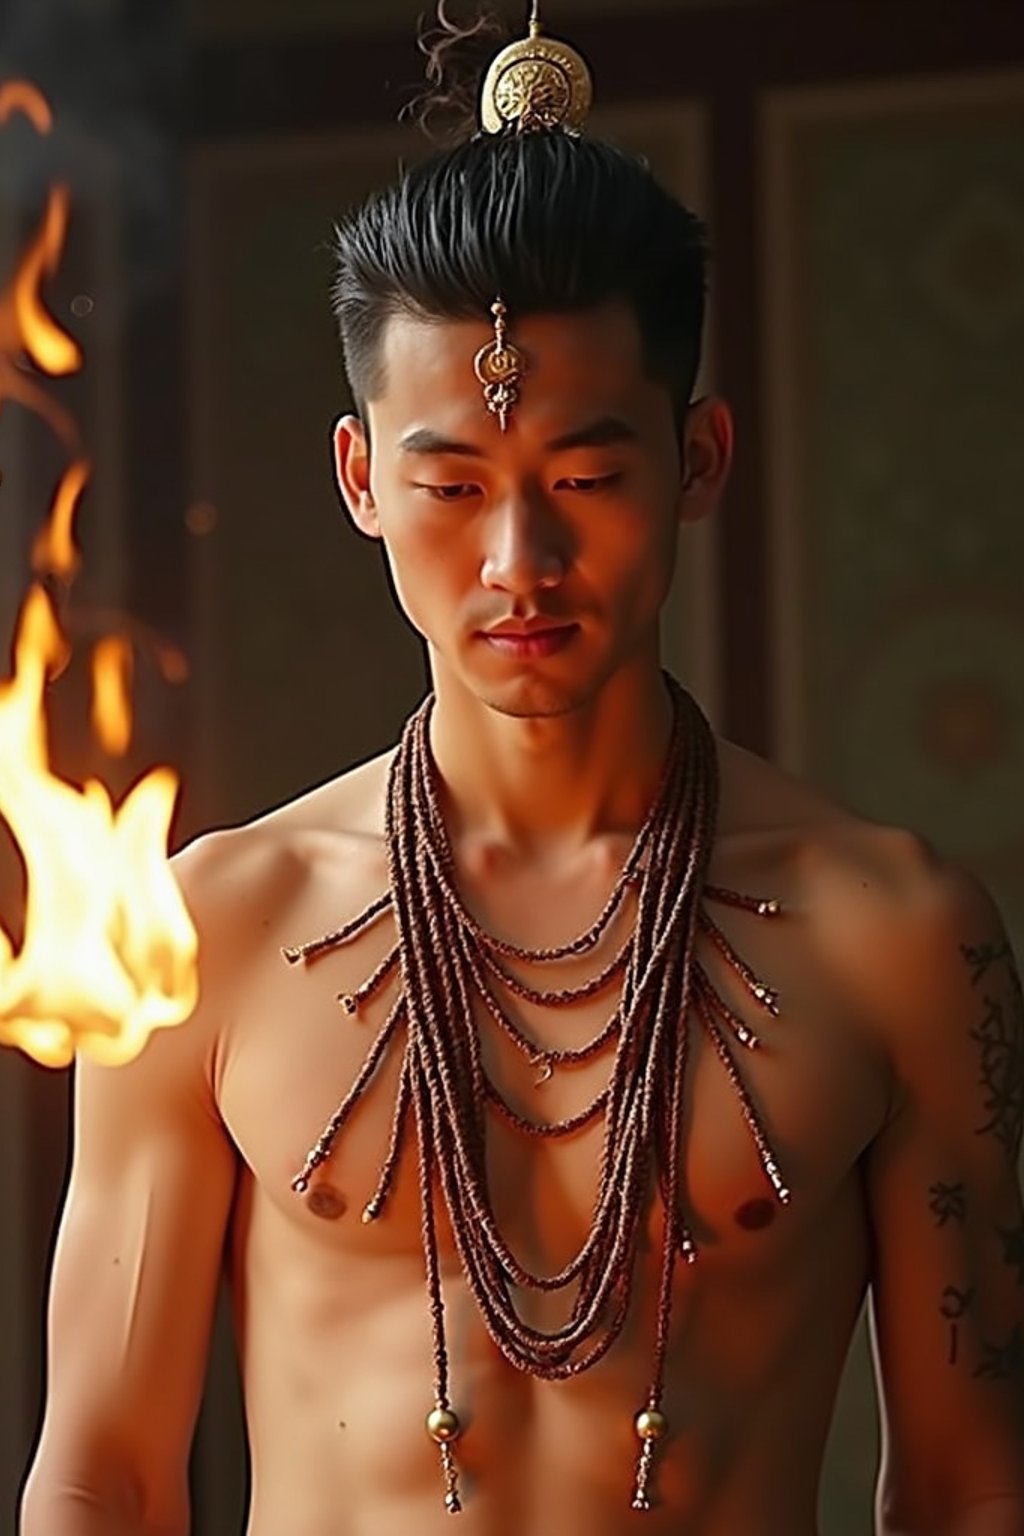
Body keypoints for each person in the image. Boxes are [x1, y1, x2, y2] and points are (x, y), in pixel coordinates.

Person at [19, 5, 1024, 1534]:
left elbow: (969, 1488)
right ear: (362, 480)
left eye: (587, 478)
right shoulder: (204, 936)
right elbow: (101, 1478)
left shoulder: (896, 938)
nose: (518, 560)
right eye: (452, 484)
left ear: (698, 465)